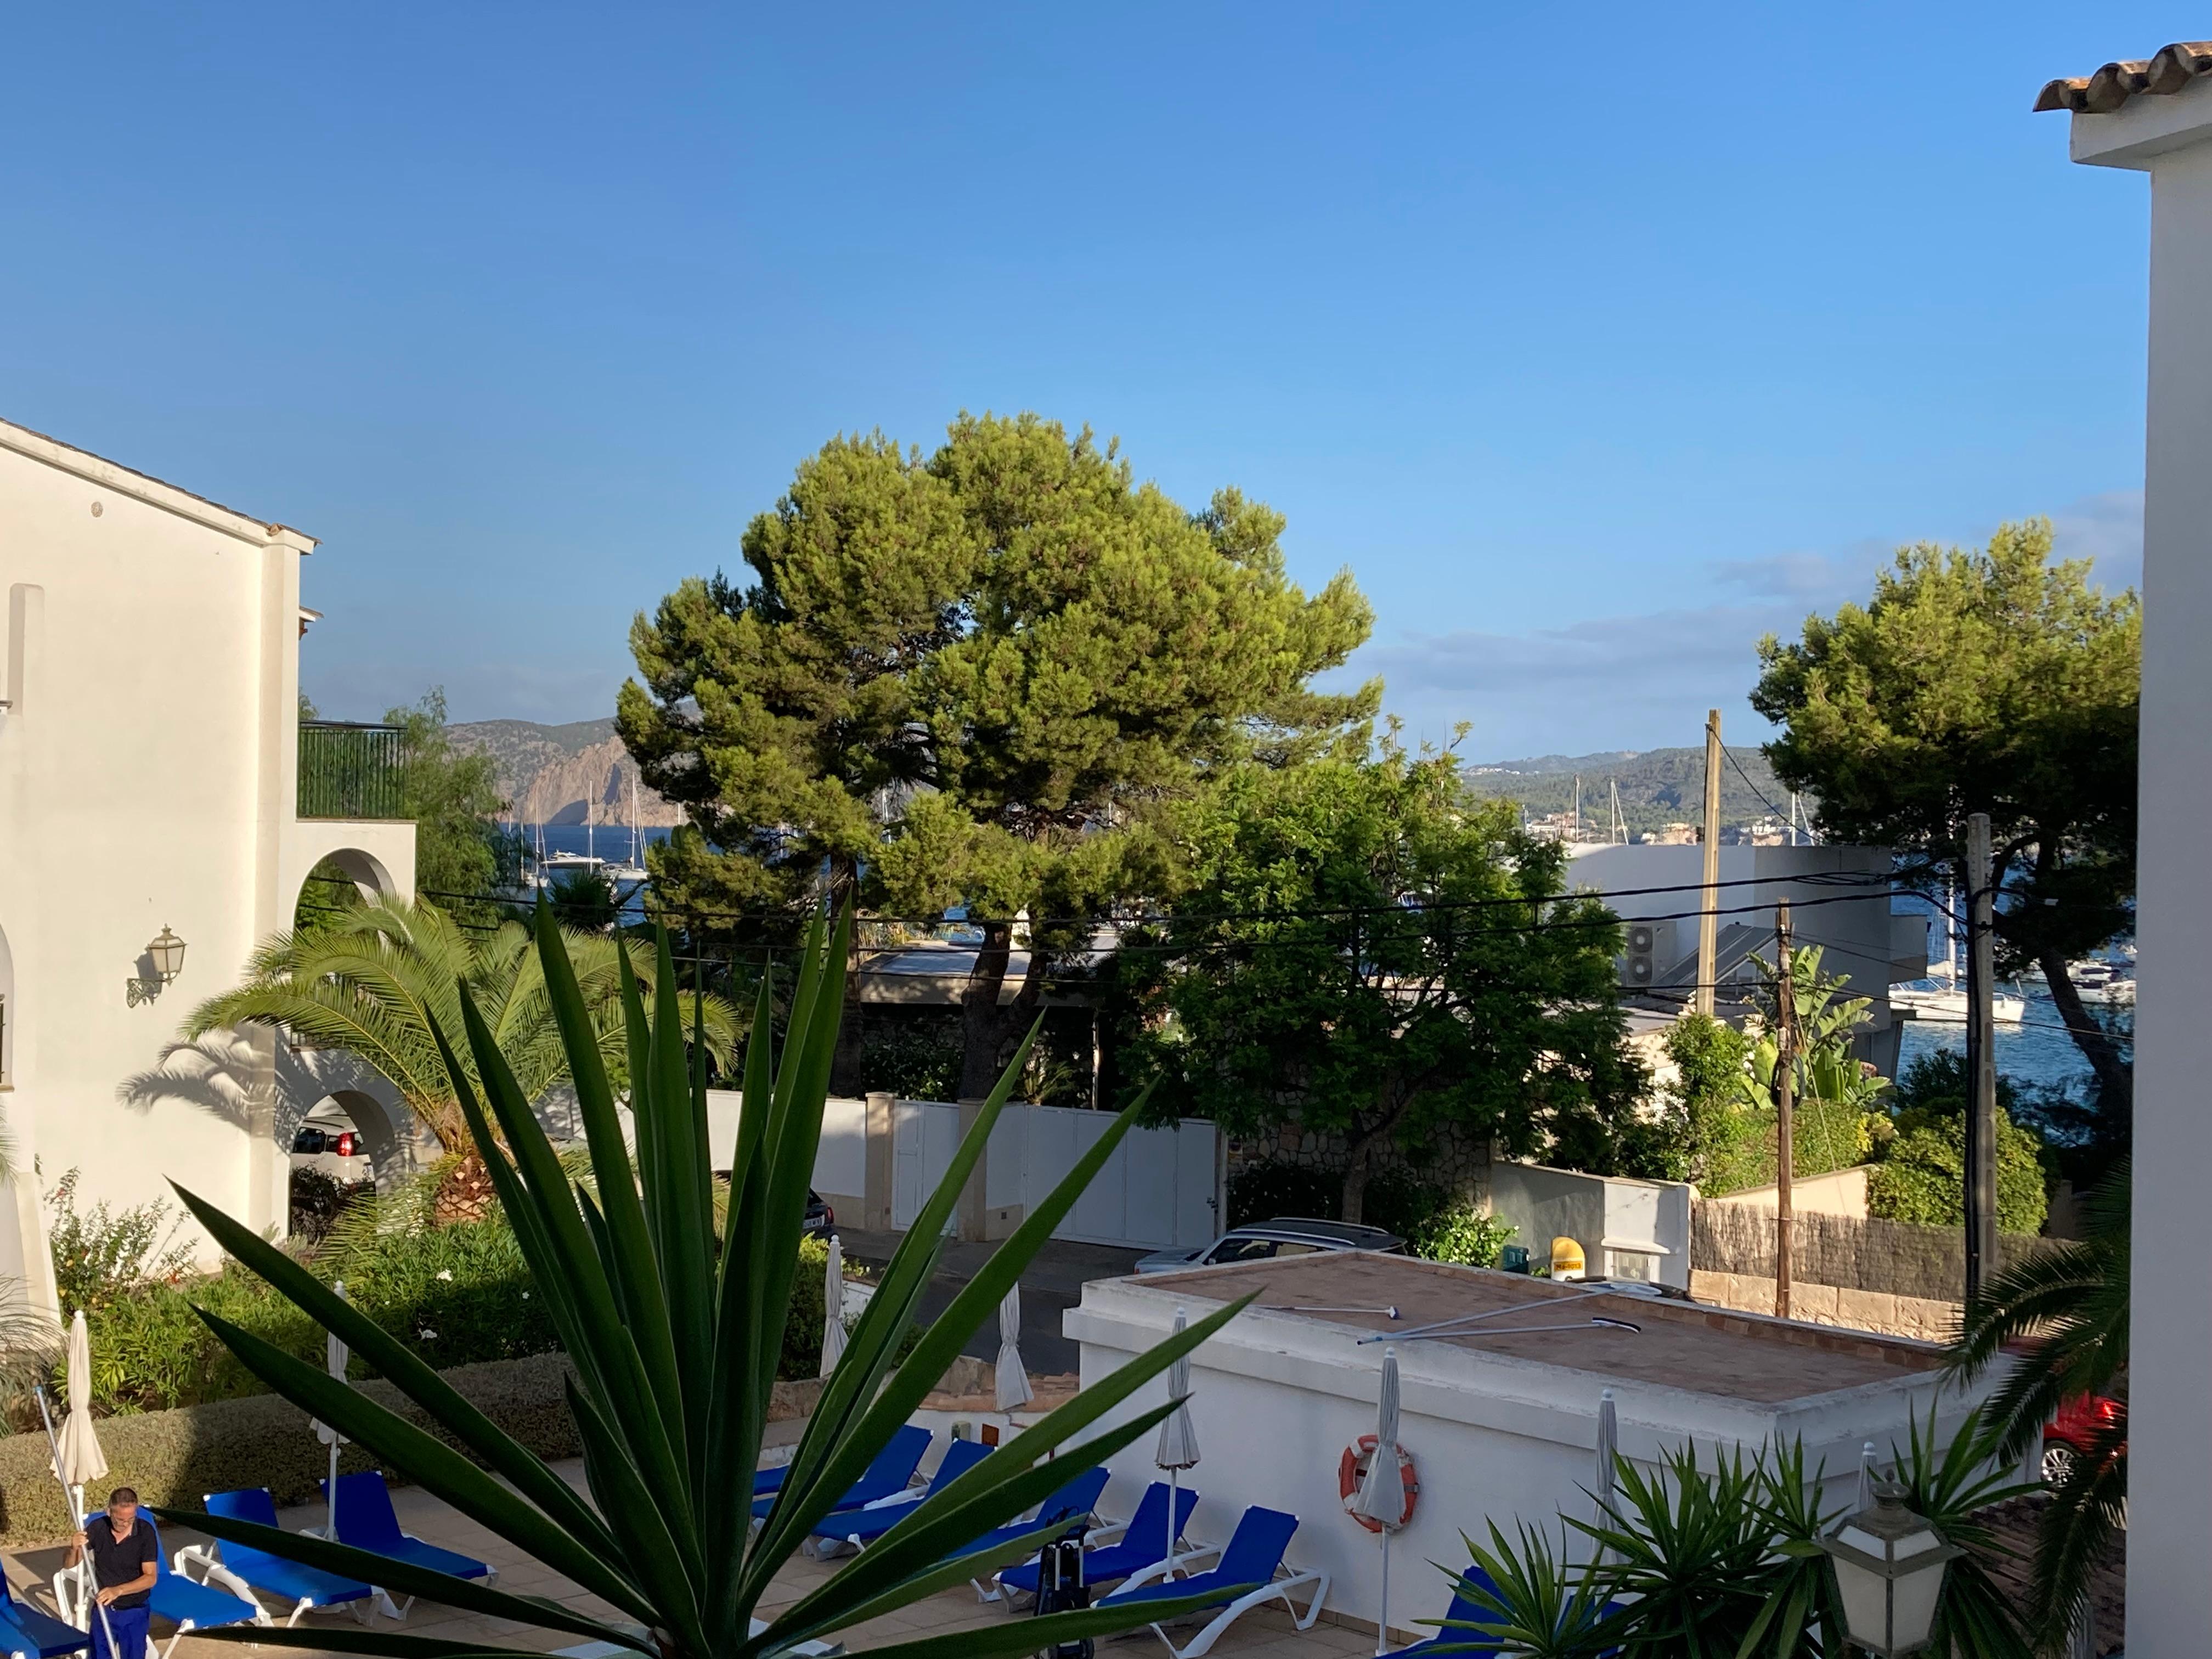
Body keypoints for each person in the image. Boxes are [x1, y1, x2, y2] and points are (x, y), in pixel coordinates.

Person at [66, 1487, 157, 1659]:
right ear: (109, 1512)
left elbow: (150, 1578)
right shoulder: (98, 1527)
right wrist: (73, 1548)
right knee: (99, 1655)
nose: (126, 1524)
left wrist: (118, 1590)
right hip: (104, 1609)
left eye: (131, 1519)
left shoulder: (145, 1532)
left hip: (135, 1609)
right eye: (120, 1520)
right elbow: (69, 1564)